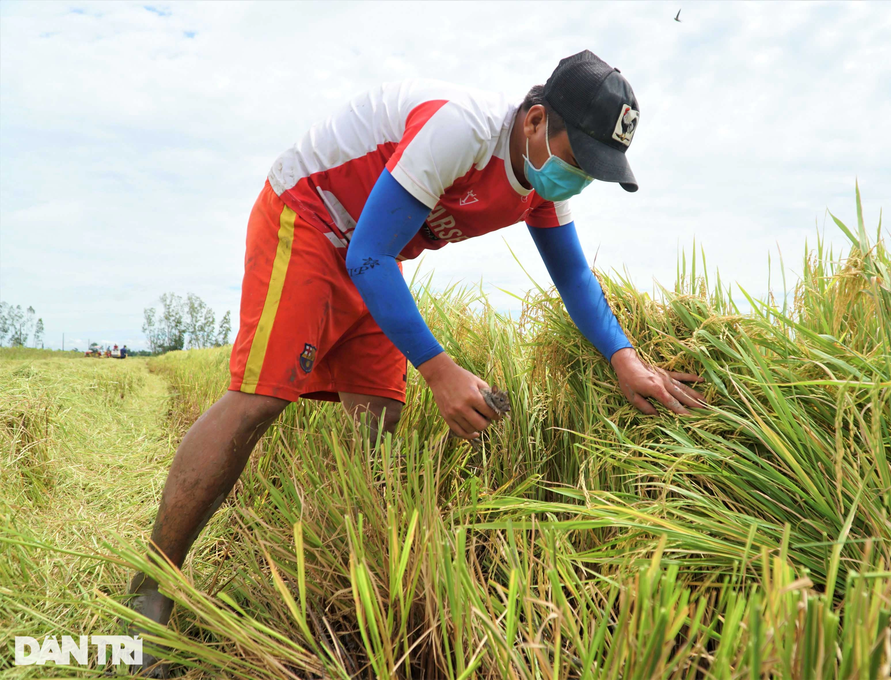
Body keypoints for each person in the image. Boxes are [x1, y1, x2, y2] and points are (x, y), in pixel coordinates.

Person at [126, 50, 706, 676]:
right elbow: (366, 255)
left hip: (377, 254)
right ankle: (150, 590)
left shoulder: (541, 186)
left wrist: (624, 357)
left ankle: (338, 579)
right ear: (536, 120)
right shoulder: (461, 130)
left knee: (378, 418)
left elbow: (574, 277)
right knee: (260, 398)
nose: (581, 178)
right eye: (579, 159)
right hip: (312, 216)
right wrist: (439, 369)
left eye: (595, 169)